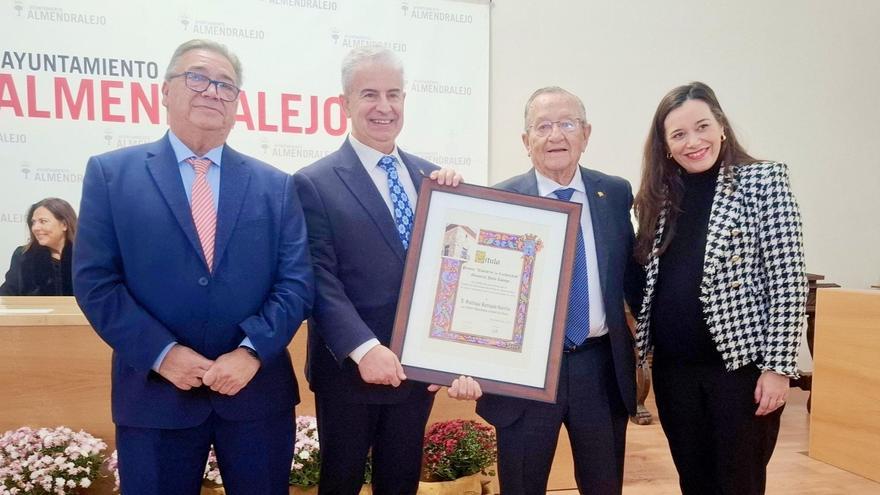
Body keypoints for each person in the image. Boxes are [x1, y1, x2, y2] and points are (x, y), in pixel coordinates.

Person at [73, 39, 314, 495]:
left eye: (226, 85)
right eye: (198, 77)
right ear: (165, 91)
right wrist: (163, 354)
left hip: (254, 394)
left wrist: (250, 352)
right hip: (154, 396)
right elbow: (96, 283)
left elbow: (296, 283)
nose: (212, 91)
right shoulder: (111, 174)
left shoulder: (276, 186)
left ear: (238, 103)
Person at [293, 47, 480, 495]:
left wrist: (448, 352)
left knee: (401, 483)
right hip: (350, 374)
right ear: (345, 104)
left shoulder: (434, 179)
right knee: (341, 482)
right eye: (370, 94)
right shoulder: (313, 182)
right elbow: (319, 278)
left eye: (394, 94)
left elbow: (452, 271)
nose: (384, 107)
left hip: (416, 373)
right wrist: (364, 348)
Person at [632, 81, 807, 494]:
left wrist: (778, 368)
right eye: (678, 134)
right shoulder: (658, 198)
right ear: (666, 145)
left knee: (739, 483)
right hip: (674, 373)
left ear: (722, 126)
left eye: (702, 126)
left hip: (740, 373)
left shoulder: (763, 181)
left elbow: (788, 281)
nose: (693, 142)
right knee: (694, 482)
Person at [476, 87, 644, 495]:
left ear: (586, 134)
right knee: (520, 485)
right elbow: (485, 294)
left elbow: (632, 276)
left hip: (599, 368)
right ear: (525, 140)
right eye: (543, 126)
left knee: (603, 485)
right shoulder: (500, 199)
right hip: (526, 374)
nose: (556, 136)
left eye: (567, 124)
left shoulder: (615, 193)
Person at [0, 197, 77, 296]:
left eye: (43, 221)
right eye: (33, 222)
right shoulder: (23, 255)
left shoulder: (86, 257)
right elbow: (7, 294)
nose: (35, 228)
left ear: (64, 225)